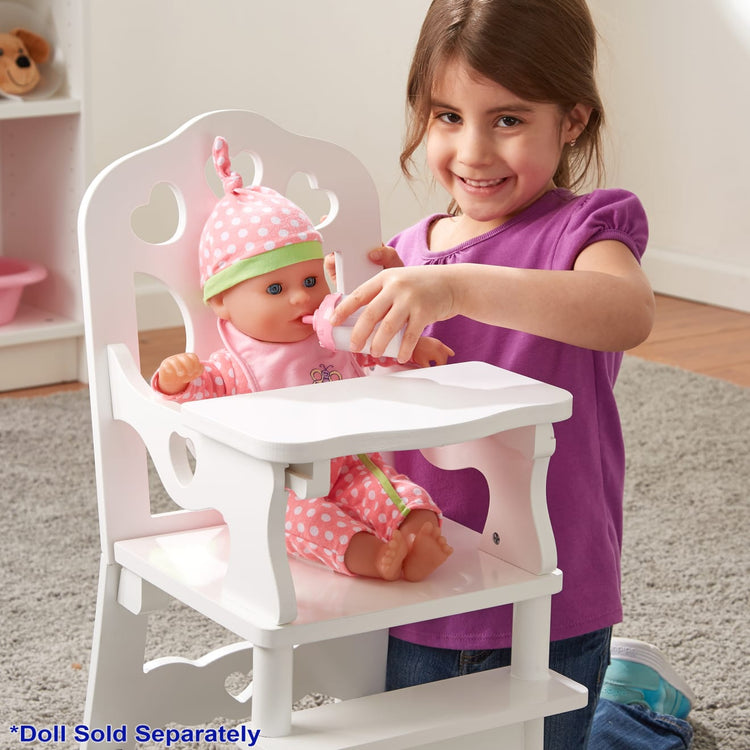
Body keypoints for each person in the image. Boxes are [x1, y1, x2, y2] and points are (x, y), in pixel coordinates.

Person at [327, 0, 694, 746]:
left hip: (550, 588)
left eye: (507, 119)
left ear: (573, 121)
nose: (472, 152)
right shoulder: (403, 255)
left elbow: (625, 311)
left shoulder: (586, 231)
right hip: (418, 586)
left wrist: (457, 286)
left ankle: (636, 713)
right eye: (446, 117)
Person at [152, 135, 454, 583]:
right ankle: (372, 556)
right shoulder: (235, 364)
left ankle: (417, 533)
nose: (301, 297)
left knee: (395, 491)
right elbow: (198, 396)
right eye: (275, 289)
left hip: (351, 462)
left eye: (311, 279)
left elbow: (376, 354)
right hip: (276, 485)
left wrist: (411, 351)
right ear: (221, 304)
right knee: (303, 522)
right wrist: (176, 378)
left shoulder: (334, 337)